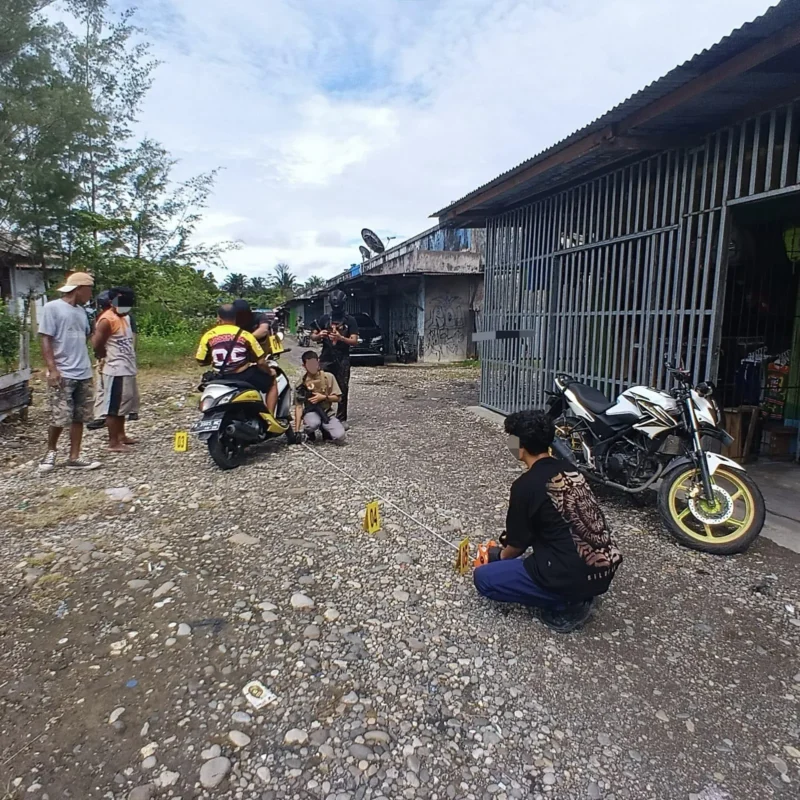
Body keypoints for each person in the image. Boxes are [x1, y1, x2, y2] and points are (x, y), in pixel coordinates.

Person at [473, 410, 623, 632]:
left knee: (484, 578)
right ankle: (579, 590)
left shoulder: (525, 485)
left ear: (520, 446)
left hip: (569, 576)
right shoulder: (572, 470)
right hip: (604, 569)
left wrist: (496, 558)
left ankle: (566, 603)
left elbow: (516, 546)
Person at [38, 271, 101, 472]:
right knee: (59, 416)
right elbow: (46, 338)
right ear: (79, 289)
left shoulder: (82, 312)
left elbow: (87, 336)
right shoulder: (53, 308)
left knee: (79, 416)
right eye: (89, 290)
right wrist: (52, 369)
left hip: (82, 370)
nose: (90, 294)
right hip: (63, 371)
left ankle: (74, 456)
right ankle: (51, 452)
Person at [195, 303, 278, 414]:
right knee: (272, 382)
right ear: (235, 318)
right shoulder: (246, 335)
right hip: (243, 376)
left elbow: (201, 361)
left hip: (220, 376)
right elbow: (261, 362)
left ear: (219, 317)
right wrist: (270, 371)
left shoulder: (208, 335)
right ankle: (269, 416)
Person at [91, 287, 139, 452]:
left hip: (127, 367)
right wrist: (103, 356)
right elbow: (97, 343)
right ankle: (113, 442)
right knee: (113, 406)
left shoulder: (125, 318)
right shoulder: (107, 319)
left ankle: (121, 435)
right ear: (112, 302)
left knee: (123, 404)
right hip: (115, 368)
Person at [311, 289, 358, 425]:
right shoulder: (324, 319)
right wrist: (319, 335)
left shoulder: (350, 320)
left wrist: (341, 338)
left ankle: (341, 418)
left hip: (342, 357)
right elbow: (313, 335)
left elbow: (354, 340)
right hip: (326, 357)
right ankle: (323, 413)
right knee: (321, 384)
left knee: (343, 387)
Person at [293, 350, 345, 443]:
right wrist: (297, 431)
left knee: (339, 436)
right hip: (311, 412)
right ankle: (309, 433)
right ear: (304, 366)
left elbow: (338, 398)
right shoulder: (301, 383)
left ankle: (326, 429)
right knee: (313, 424)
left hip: (326, 412)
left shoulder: (328, 377)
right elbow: (298, 407)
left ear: (318, 362)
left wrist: (324, 397)